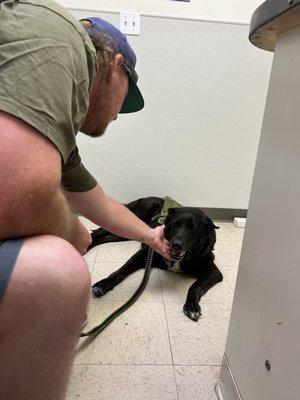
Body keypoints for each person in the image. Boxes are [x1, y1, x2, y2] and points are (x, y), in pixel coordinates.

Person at [0, 1, 171, 399]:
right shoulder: (62, 36)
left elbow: (98, 203)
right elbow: (15, 194)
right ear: (113, 69)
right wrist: (72, 231)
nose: (116, 116)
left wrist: (150, 237)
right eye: (124, 99)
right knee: (56, 273)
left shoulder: (53, 131)